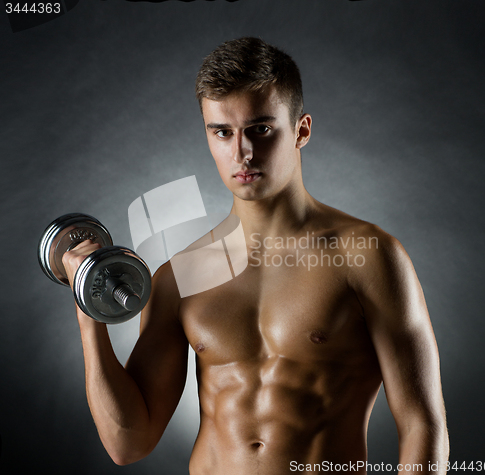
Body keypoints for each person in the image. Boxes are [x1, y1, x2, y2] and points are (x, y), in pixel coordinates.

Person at [63, 37, 449, 474]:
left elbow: (422, 425)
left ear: (301, 130)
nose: (241, 152)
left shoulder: (369, 257)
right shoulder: (181, 276)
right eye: (222, 132)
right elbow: (128, 443)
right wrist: (87, 308)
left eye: (260, 129)